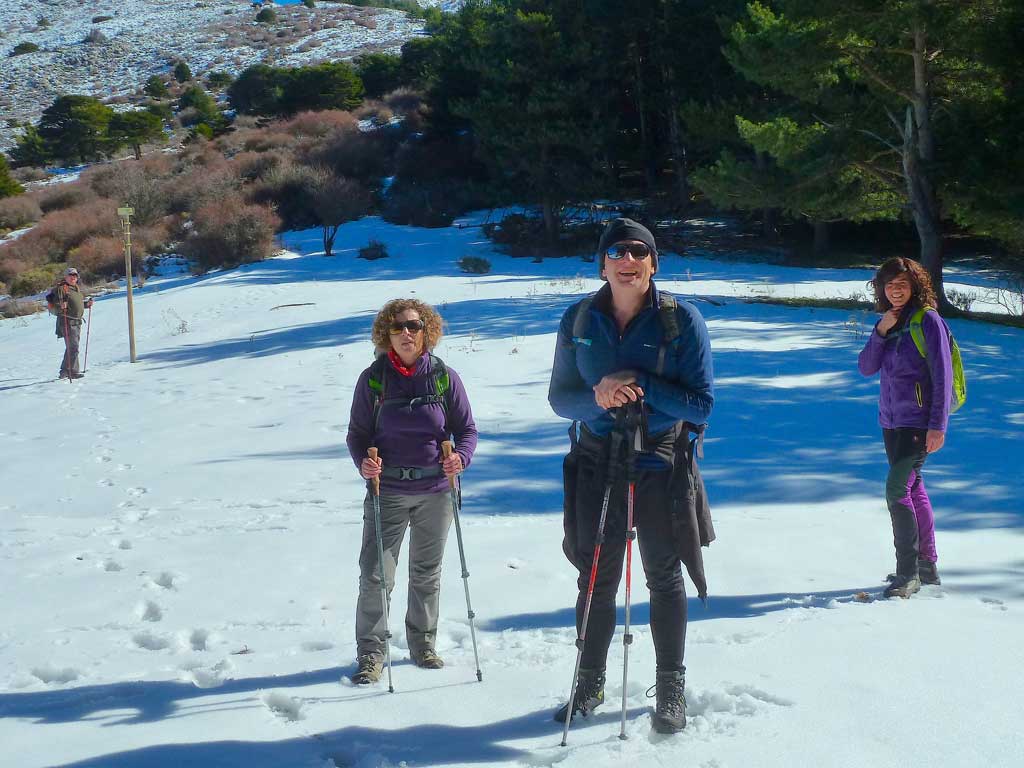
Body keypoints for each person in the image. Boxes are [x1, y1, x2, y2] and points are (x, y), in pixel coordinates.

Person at [548, 218, 714, 734]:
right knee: (596, 576)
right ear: (602, 264)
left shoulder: (680, 320)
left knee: (663, 574)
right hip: (597, 458)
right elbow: (560, 398)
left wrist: (638, 382)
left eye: (639, 252)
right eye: (617, 252)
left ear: (653, 263)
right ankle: (589, 682)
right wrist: (598, 395)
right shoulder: (579, 318)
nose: (628, 261)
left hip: (659, 459)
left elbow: (701, 405)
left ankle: (670, 687)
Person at [345, 298, 478, 685]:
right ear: (386, 334)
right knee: (375, 575)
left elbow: (466, 430)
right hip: (387, 490)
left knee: (426, 573)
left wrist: (460, 459)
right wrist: (363, 463)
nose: (407, 333)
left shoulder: (443, 377)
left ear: (427, 332)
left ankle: (423, 645)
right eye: (398, 327)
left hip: (436, 490)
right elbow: (357, 434)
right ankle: (371, 654)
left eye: (414, 326)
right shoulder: (374, 379)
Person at [858, 257, 952, 598]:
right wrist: (881, 331)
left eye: (902, 284)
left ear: (915, 286)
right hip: (891, 421)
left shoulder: (928, 320)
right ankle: (926, 564)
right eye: (889, 285)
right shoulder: (889, 322)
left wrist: (937, 425)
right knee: (913, 488)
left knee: (897, 489)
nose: (895, 290)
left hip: (919, 422)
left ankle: (908, 572)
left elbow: (943, 376)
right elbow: (866, 367)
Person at [46, 267, 93, 380]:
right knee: (73, 347)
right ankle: (72, 371)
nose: (73, 277)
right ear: (66, 277)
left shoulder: (75, 288)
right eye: (70, 275)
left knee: (72, 347)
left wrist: (86, 304)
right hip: (67, 321)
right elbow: (55, 306)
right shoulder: (62, 289)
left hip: (77, 322)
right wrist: (60, 307)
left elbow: (76, 304)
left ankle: (65, 371)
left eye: (75, 275)